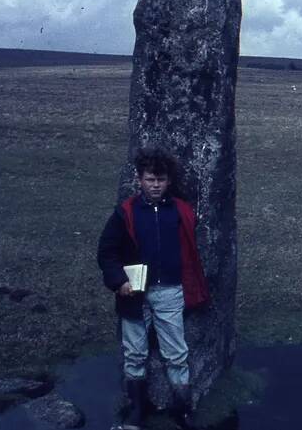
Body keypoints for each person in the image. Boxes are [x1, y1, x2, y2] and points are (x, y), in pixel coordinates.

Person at [97, 147, 208, 430]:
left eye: (160, 179)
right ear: (139, 179)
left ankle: (182, 410)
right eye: (150, 179)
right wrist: (118, 281)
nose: (155, 185)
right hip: (134, 294)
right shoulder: (125, 213)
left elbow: (191, 252)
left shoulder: (181, 212)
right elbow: (107, 251)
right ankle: (137, 411)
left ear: (168, 180)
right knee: (135, 353)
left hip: (170, 291)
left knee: (176, 354)